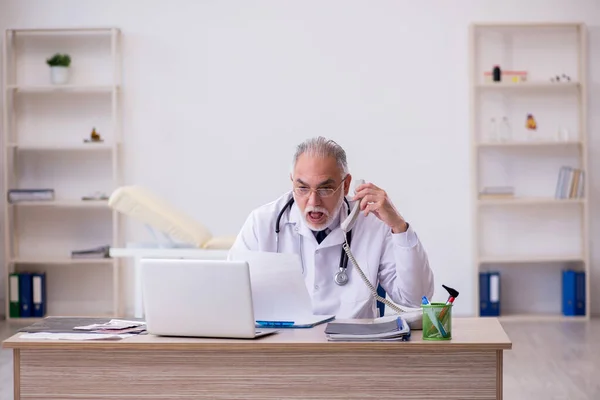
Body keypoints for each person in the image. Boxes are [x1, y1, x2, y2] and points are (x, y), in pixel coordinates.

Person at [231, 136, 434, 319]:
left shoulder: (371, 222)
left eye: (325, 188)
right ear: (292, 182)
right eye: (302, 188)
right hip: (283, 349)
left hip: (352, 351)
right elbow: (232, 295)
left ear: (346, 185)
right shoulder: (262, 223)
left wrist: (399, 227)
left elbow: (416, 299)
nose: (313, 200)